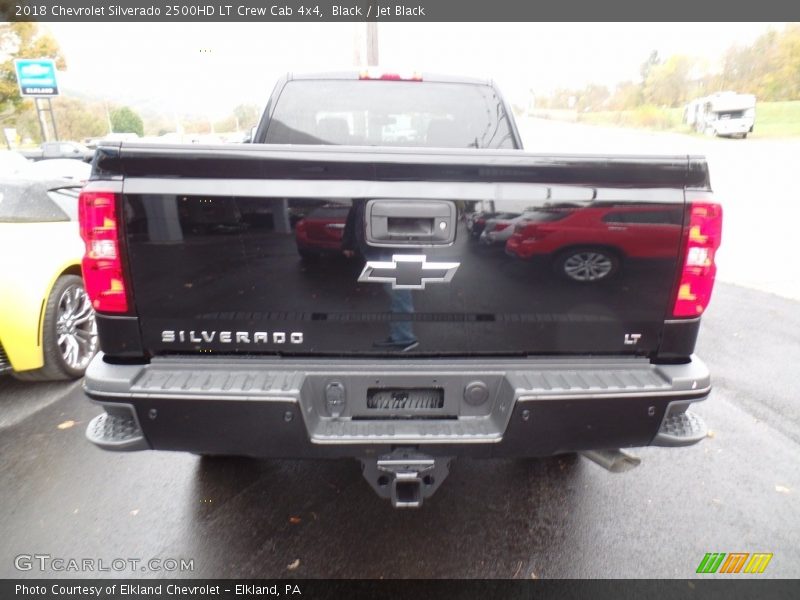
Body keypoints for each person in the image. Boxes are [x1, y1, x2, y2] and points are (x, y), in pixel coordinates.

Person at [341, 200, 419, 352]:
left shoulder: (392, 189)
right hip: (375, 249)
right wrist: (348, 243)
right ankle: (400, 335)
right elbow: (355, 213)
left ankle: (404, 338)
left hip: (394, 250)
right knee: (396, 294)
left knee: (400, 294)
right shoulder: (364, 191)